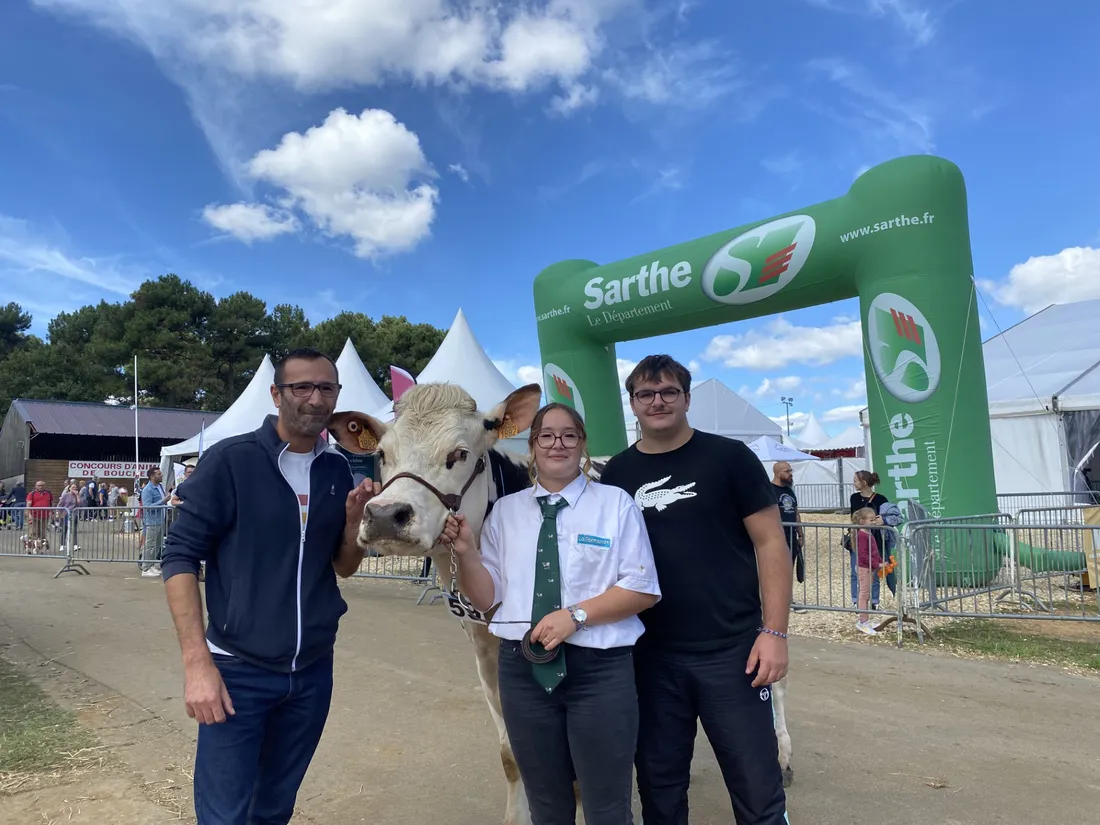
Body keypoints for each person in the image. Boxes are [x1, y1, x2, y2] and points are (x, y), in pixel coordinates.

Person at [160, 347, 377, 825]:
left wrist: (354, 526)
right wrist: (198, 665)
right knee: (224, 814)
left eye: (327, 388)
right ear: (276, 394)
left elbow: (343, 567)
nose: (315, 398)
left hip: (312, 672)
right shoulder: (230, 461)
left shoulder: (338, 469)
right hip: (238, 671)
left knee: (274, 808)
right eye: (302, 387)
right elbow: (178, 557)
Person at [440, 402, 661, 825]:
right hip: (522, 672)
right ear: (533, 446)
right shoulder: (505, 512)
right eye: (547, 435)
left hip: (599, 673)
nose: (557, 443)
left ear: (582, 445)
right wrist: (466, 554)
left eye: (569, 435)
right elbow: (487, 599)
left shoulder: (615, 505)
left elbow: (641, 588)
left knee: (607, 808)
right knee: (546, 808)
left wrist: (575, 616)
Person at [596, 355, 792, 825]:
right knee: (660, 789)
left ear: (686, 398)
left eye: (668, 391)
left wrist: (776, 633)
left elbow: (771, 543)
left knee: (757, 785)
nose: (657, 401)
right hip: (650, 656)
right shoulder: (617, 474)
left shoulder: (729, 458)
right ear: (633, 404)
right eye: (646, 393)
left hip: (733, 651)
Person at [848, 470, 891, 609]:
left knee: (874, 570)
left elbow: (888, 516)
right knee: (856, 569)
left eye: (855, 480)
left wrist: (882, 520)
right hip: (858, 538)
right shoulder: (854, 498)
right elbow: (853, 517)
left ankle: (874, 601)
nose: (853, 483)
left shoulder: (881, 499)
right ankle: (856, 600)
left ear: (864, 483)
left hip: (875, 539)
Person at [771, 462, 805, 588]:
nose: (791, 474)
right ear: (778, 473)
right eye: (787, 471)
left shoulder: (789, 491)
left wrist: (800, 535)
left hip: (791, 536)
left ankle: (788, 597)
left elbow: (796, 513)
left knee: (789, 568)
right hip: (776, 535)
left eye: (791, 471)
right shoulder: (769, 490)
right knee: (776, 569)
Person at [851, 507, 884, 634]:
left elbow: (874, 551)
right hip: (865, 568)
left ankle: (865, 620)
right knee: (864, 594)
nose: (873, 521)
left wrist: (880, 562)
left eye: (874, 519)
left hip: (870, 567)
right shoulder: (862, 535)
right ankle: (862, 621)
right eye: (871, 519)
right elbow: (863, 555)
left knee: (866, 594)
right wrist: (877, 564)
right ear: (862, 521)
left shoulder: (868, 534)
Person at [140, 467, 167, 577]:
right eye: (159, 474)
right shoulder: (148, 489)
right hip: (152, 521)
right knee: (150, 545)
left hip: (160, 520)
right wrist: (163, 501)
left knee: (156, 545)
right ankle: (146, 568)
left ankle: (151, 565)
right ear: (152, 476)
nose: (161, 475)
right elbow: (147, 506)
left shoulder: (159, 486)